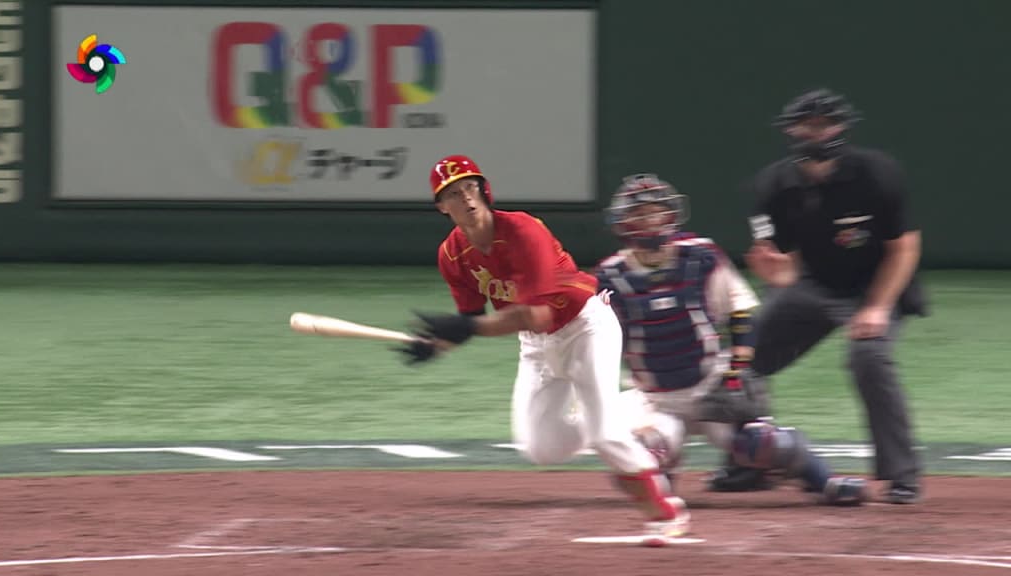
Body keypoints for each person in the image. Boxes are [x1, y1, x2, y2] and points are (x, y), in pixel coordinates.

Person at [396, 154, 690, 545]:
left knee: (605, 436)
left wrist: (464, 328)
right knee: (542, 448)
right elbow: (470, 319)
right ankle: (633, 405)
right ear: (441, 206)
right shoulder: (452, 255)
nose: (465, 197)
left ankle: (665, 512)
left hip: (585, 326)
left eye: (470, 187)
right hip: (536, 346)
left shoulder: (522, 229)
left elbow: (533, 315)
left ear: (484, 190)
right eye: (453, 193)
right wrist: (438, 345)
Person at [593, 173, 867, 506]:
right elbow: (598, 337)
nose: (648, 220)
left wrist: (737, 371)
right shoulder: (609, 276)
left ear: (670, 215)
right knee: (638, 454)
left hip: (710, 385)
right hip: (657, 400)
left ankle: (825, 482)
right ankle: (661, 483)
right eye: (639, 214)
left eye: (654, 211)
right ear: (623, 223)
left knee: (762, 442)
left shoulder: (701, 257)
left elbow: (739, 313)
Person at [743, 88, 927, 504]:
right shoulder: (774, 185)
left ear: (842, 127)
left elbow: (905, 248)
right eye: (808, 125)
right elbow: (787, 266)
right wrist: (776, 272)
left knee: (869, 358)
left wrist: (877, 307)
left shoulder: (877, 173)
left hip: (877, 285)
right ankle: (748, 464)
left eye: (826, 124)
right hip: (815, 284)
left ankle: (902, 476)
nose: (817, 132)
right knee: (743, 356)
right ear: (792, 131)